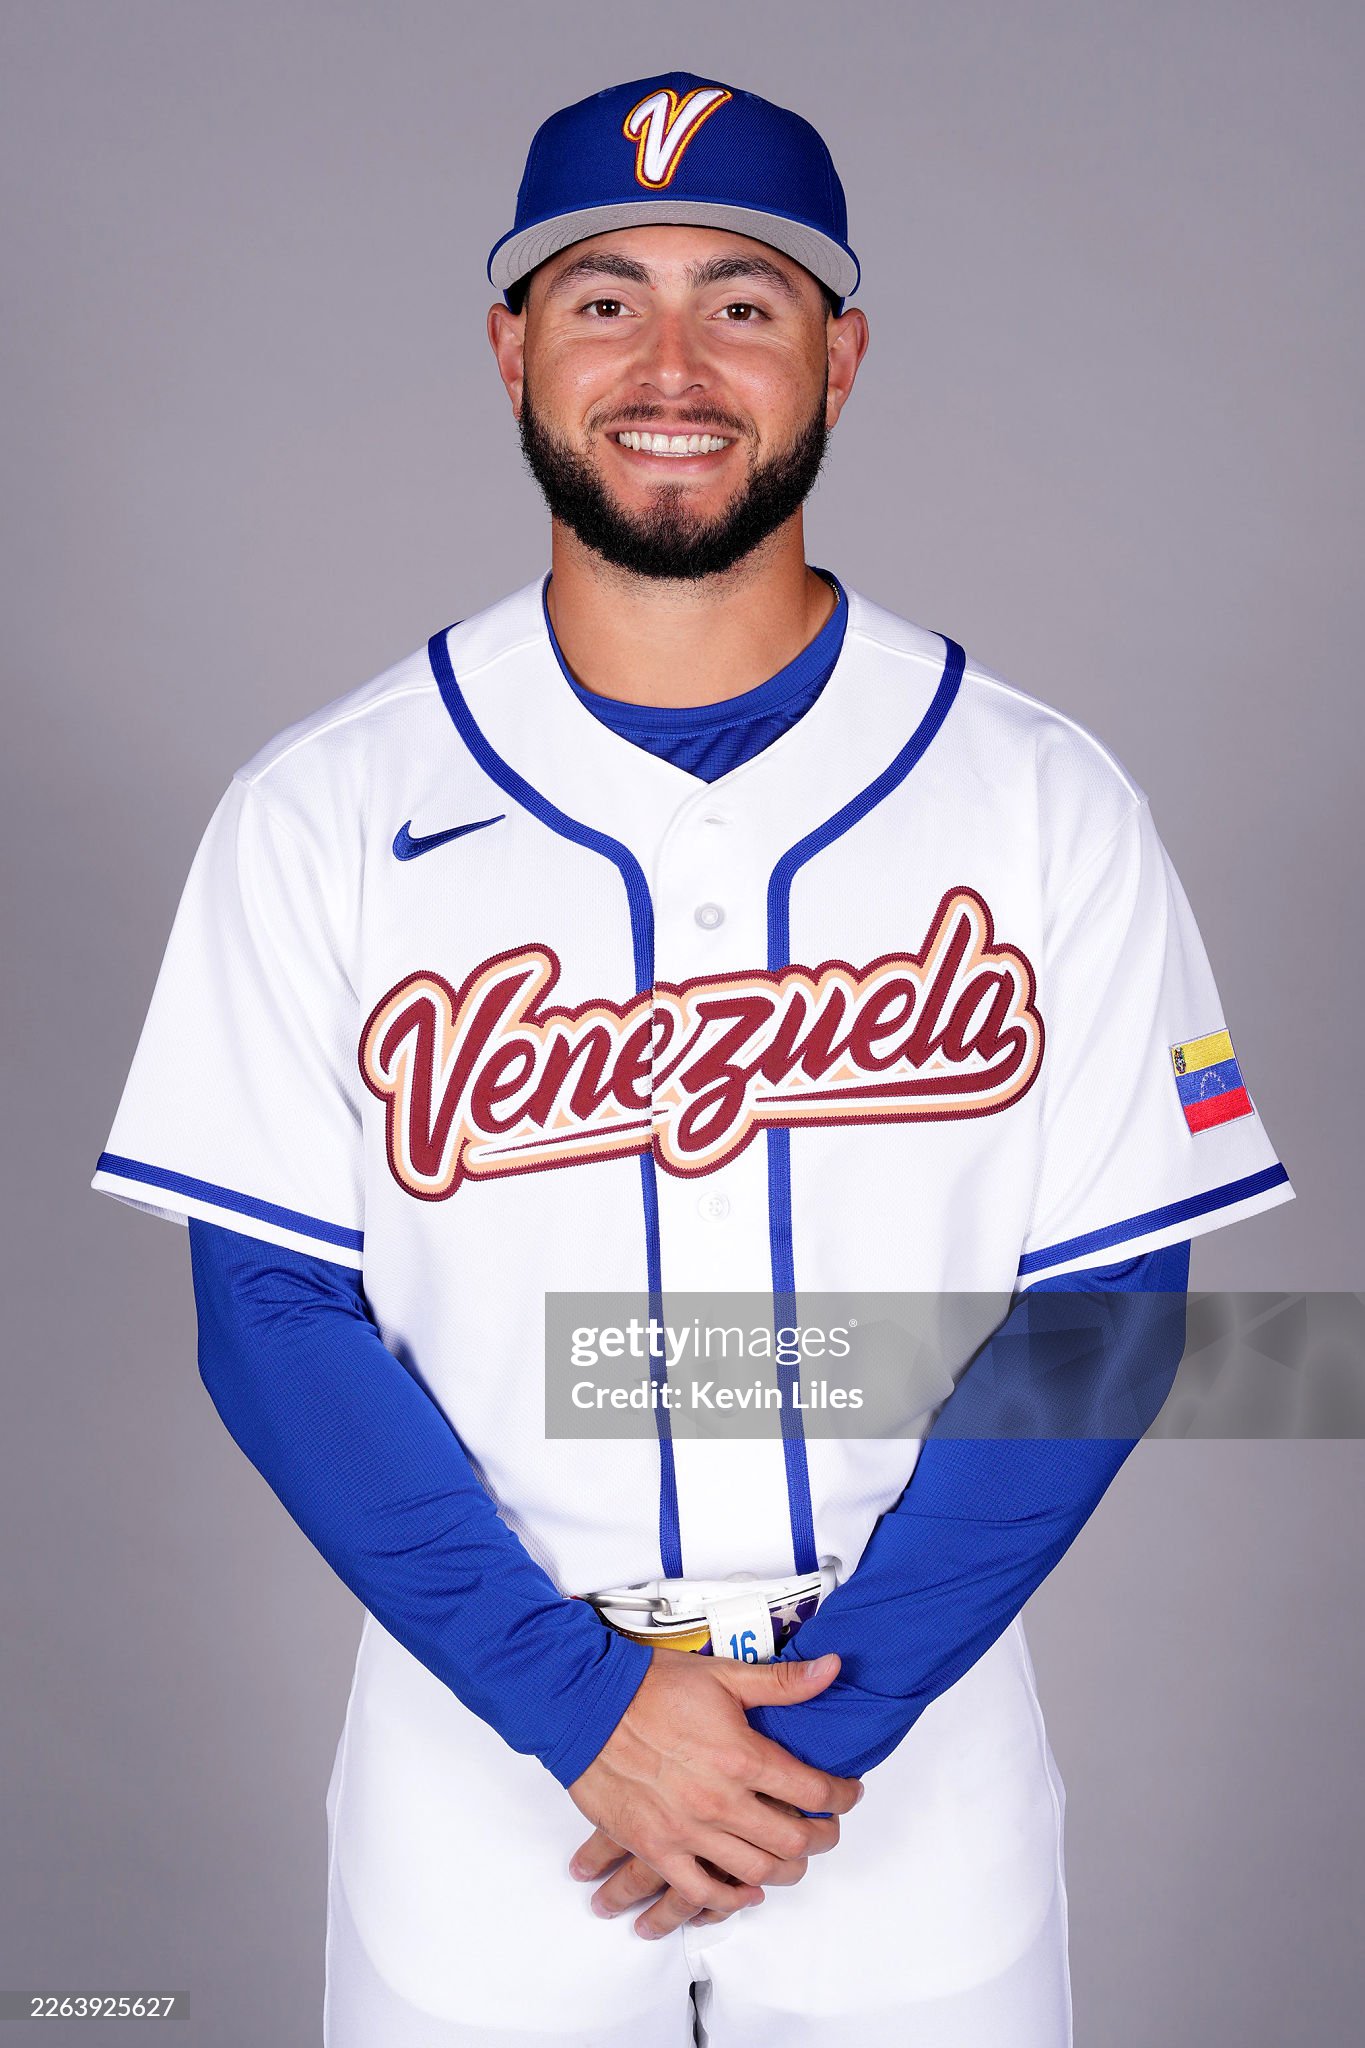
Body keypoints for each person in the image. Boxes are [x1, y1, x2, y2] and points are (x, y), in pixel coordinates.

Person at [94, 73, 1294, 2047]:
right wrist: (582, 1712)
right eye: (600, 298)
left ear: (840, 350)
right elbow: (269, 1315)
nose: (670, 361)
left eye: (741, 300)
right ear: (509, 348)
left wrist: (822, 1736)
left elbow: (1107, 1313)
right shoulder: (319, 809)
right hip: (484, 1764)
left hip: (906, 1767)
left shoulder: (1039, 800)